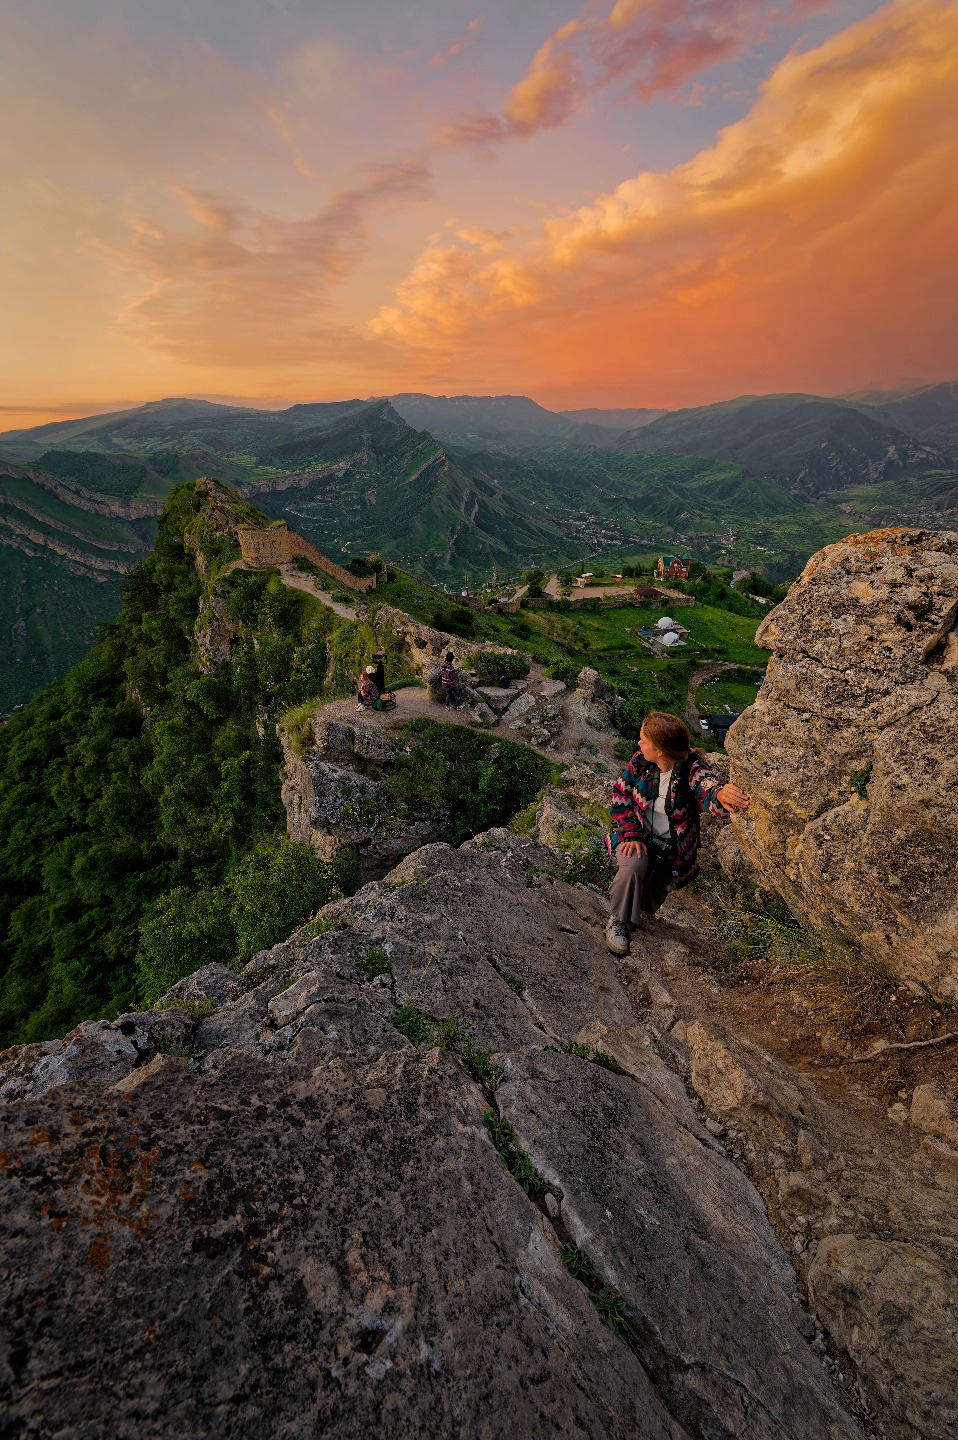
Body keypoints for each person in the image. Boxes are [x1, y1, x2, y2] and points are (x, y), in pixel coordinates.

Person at [605, 710, 750, 956]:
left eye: (644, 740)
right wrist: (631, 834)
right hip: (635, 835)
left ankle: (631, 915)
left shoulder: (690, 769)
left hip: (669, 851)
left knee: (649, 899)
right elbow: (621, 794)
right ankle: (617, 921)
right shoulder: (640, 762)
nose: (639, 743)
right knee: (633, 865)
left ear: (660, 750)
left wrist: (720, 794)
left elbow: (706, 786)